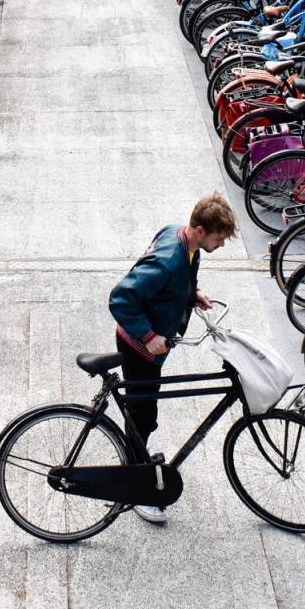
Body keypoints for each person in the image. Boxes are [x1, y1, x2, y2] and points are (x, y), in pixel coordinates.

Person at [108, 193, 236, 524]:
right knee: (143, 416)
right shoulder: (169, 259)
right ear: (199, 229)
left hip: (152, 343)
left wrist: (191, 295)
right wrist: (148, 336)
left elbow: (177, 279)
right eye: (218, 239)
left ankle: (134, 460)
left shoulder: (181, 238)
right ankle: (136, 488)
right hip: (139, 347)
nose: (221, 245)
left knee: (143, 413)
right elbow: (121, 299)